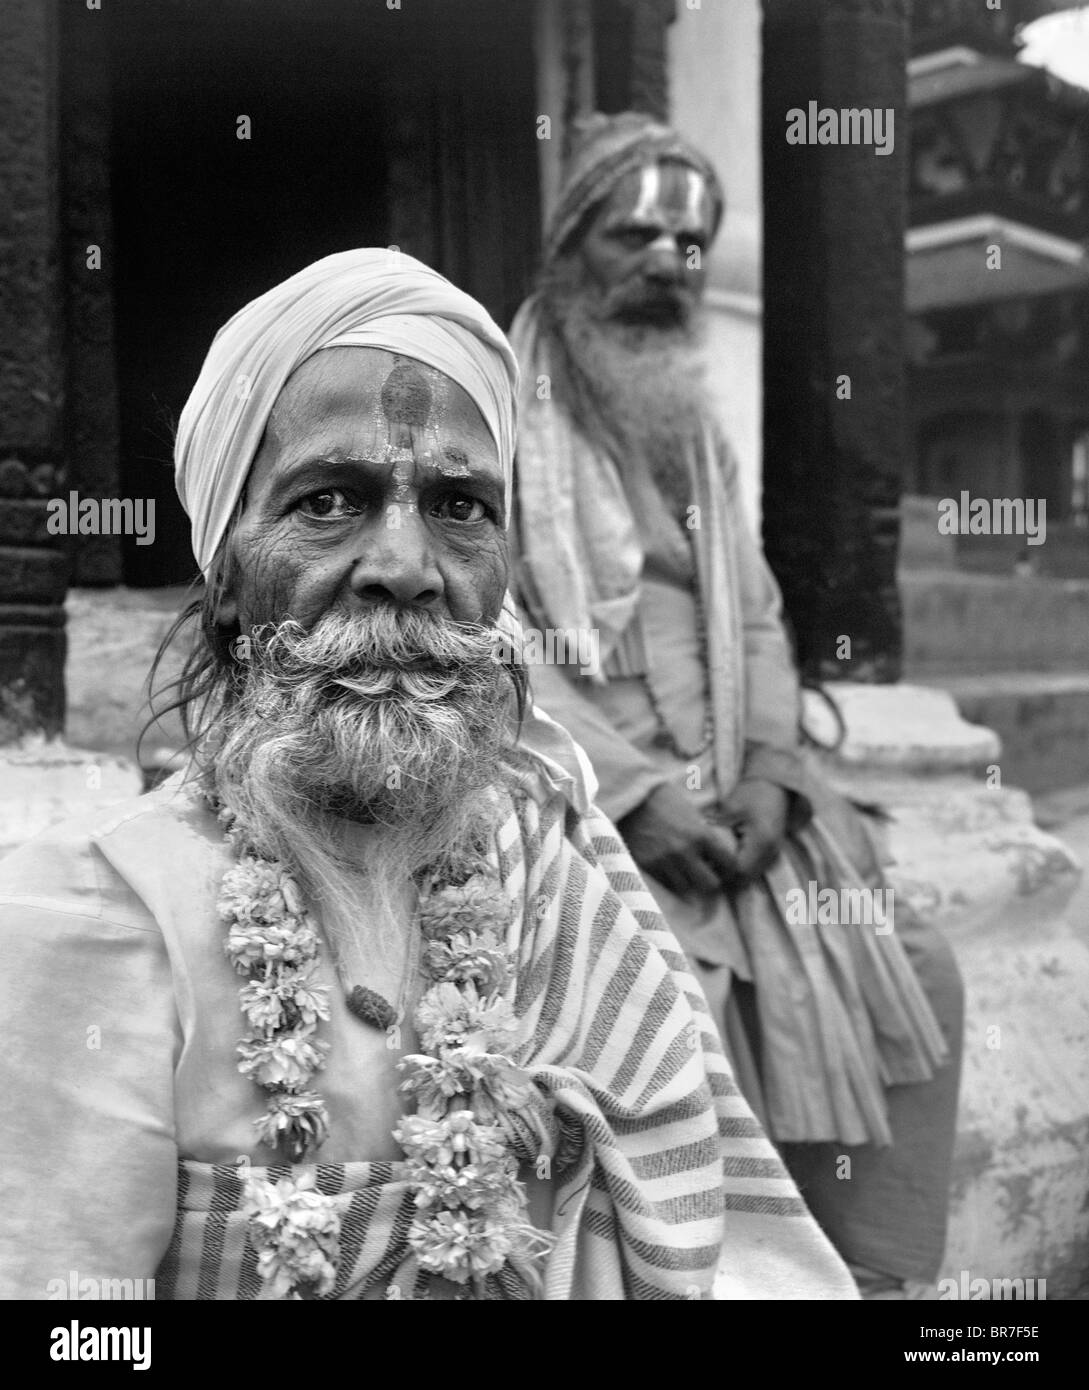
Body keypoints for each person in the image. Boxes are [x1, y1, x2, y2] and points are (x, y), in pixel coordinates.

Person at [0, 248, 856, 1301]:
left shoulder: (542, 863)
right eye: (329, 500)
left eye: (458, 506)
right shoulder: (91, 910)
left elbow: (737, 1266)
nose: (406, 565)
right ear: (224, 578)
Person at [509, 113, 965, 1297]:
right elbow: (489, 640)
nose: (667, 260)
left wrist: (768, 767)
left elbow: (755, 616)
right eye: (636, 233)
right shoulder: (500, 411)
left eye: (690, 240)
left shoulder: (690, 426)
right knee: (682, 1001)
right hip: (584, 802)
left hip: (738, 798)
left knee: (910, 959)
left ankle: (874, 1287)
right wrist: (635, 795)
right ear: (572, 248)